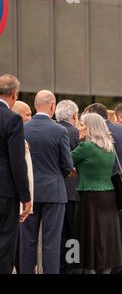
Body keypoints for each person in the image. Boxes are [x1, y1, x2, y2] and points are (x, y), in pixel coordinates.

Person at [84, 103, 122, 274]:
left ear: (93, 116)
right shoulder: (121, 129)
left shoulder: (100, 132)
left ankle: (119, 269)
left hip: (118, 185)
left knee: (118, 229)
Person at [21, 90, 74, 274]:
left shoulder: (23, 128)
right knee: (52, 241)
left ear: (35, 105)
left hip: (29, 192)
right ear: (53, 106)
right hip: (54, 191)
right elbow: (67, 164)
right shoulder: (59, 130)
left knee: (27, 240)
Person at [71, 113, 122, 274]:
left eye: (81, 124)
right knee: (106, 238)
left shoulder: (85, 147)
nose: (78, 128)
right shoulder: (109, 147)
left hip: (90, 196)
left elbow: (66, 161)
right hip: (109, 196)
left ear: (90, 127)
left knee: (87, 237)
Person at [0, 75, 32, 274]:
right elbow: (17, 161)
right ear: (14, 94)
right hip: (5, 192)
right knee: (5, 244)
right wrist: (26, 197)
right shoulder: (11, 119)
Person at [55, 100, 81, 274]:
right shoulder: (77, 133)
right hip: (75, 191)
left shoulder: (52, 131)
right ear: (74, 116)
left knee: (59, 234)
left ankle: (60, 268)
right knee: (75, 235)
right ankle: (73, 267)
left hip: (56, 191)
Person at [11, 100, 34, 274]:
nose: (31, 117)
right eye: (27, 114)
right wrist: (27, 201)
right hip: (15, 200)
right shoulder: (19, 140)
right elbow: (25, 174)